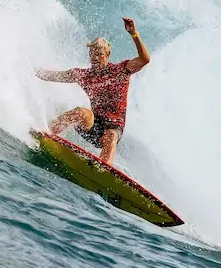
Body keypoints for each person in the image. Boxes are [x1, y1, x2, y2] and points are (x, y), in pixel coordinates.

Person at [35, 17, 150, 165]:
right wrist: (29, 69)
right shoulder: (84, 75)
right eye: (92, 54)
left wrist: (134, 34)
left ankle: (103, 169)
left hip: (113, 128)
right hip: (93, 125)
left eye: (99, 54)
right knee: (81, 113)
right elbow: (51, 76)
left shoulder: (121, 70)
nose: (95, 58)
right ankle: (45, 133)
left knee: (111, 136)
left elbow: (145, 59)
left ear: (107, 56)